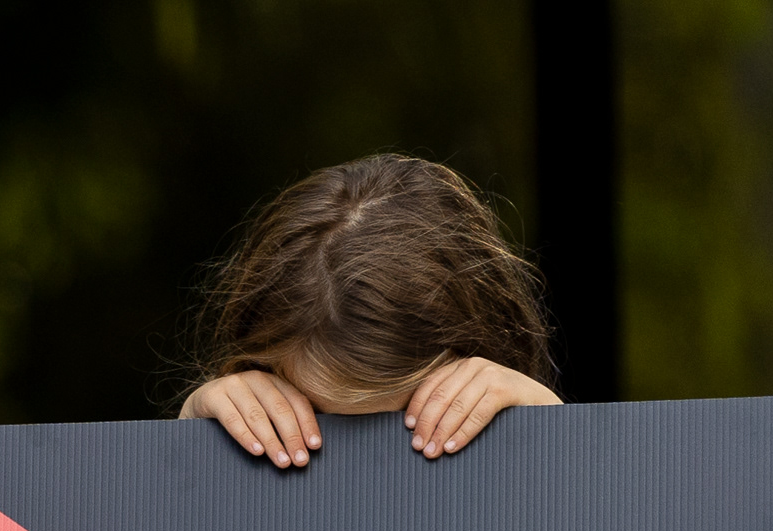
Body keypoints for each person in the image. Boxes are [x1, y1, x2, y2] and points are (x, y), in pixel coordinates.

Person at [178, 154, 562, 459]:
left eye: (409, 421)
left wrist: (560, 434)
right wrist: (191, 439)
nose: (363, 464)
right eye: (316, 420)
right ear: (259, 368)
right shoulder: (227, 446)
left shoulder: (530, 426)